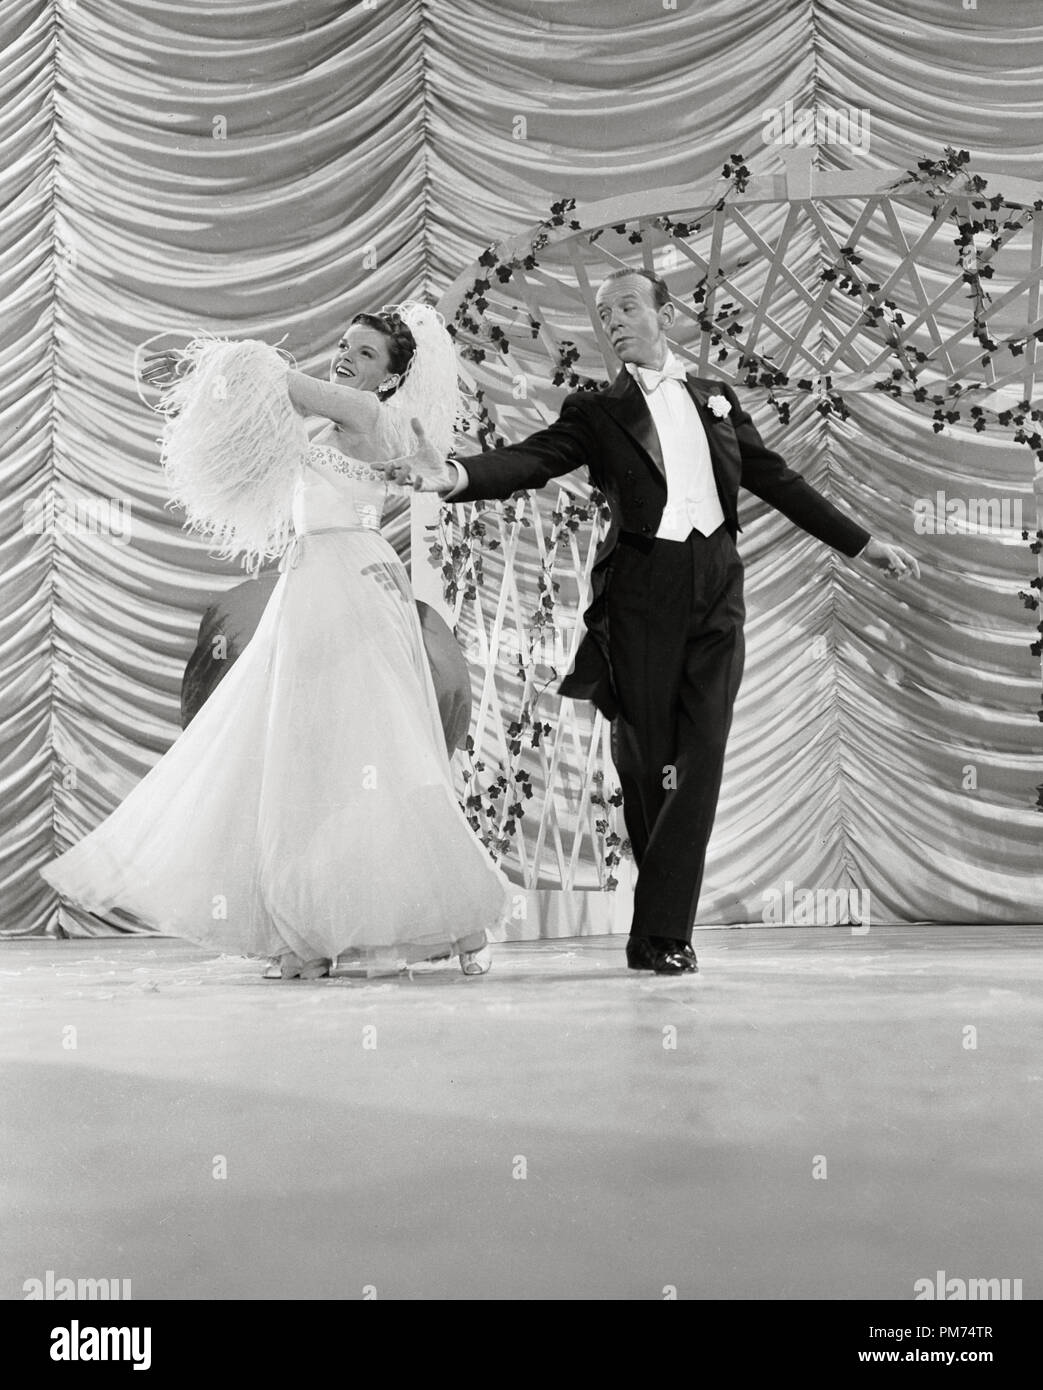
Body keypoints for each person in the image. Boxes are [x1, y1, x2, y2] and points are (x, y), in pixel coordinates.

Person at [386, 269, 920, 975]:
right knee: (645, 768)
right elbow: (533, 461)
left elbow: (778, 480)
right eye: (603, 313)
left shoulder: (717, 398)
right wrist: (453, 475)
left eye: (628, 307)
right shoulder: (595, 411)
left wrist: (864, 544)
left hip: (716, 589)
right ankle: (655, 935)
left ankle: (665, 931)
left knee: (699, 756)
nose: (614, 321)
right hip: (638, 594)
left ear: (663, 315)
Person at [41, 304, 511, 979]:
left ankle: (453, 921)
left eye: (368, 353)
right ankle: (310, 933)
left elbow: (277, 377)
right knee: (307, 757)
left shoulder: (361, 412)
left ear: (389, 377)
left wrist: (207, 362)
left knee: (376, 749)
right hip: (312, 580)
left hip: (348, 581)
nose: (348, 356)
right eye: (346, 345)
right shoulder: (344, 420)